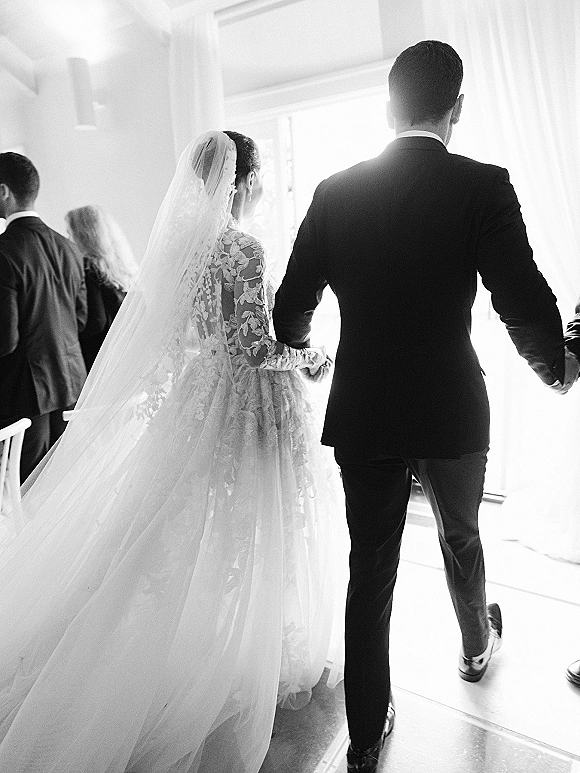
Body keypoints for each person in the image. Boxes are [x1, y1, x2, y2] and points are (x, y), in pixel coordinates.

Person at [273, 40, 576, 773]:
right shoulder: (480, 185)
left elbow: (289, 313)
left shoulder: (333, 190)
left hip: (365, 407)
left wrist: (315, 353)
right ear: (457, 109)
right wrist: (556, 367)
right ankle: (476, 646)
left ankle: (367, 735)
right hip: (450, 407)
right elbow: (522, 300)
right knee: (462, 537)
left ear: (388, 108)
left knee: (369, 564)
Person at [0, 130, 340, 773]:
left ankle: (204, 635)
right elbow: (254, 350)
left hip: (198, 400)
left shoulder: (182, 253)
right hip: (246, 407)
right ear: (244, 180)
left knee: (192, 528)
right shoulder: (242, 248)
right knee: (253, 526)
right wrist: (311, 356)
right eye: (259, 175)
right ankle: (238, 648)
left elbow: (189, 341)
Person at [0, 152, 87, 482]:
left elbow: (5, 339)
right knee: (63, 485)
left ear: (5, 191)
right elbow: (79, 320)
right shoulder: (68, 247)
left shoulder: (4, 251)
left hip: (25, 392)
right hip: (72, 383)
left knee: (27, 489)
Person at [65, 205, 138, 371]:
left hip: (97, 355)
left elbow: (97, 320)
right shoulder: (122, 265)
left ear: (82, 235)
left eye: (69, 232)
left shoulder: (88, 267)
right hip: (122, 351)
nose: (67, 238)